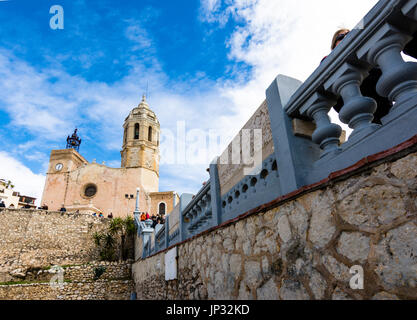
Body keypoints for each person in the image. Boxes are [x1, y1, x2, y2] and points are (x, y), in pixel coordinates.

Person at [322, 29, 392, 124]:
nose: (346, 37)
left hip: (381, 101)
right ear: (334, 46)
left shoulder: (365, 51)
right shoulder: (327, 61)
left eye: (349, 34)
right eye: (341, 37)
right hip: (355, 103)